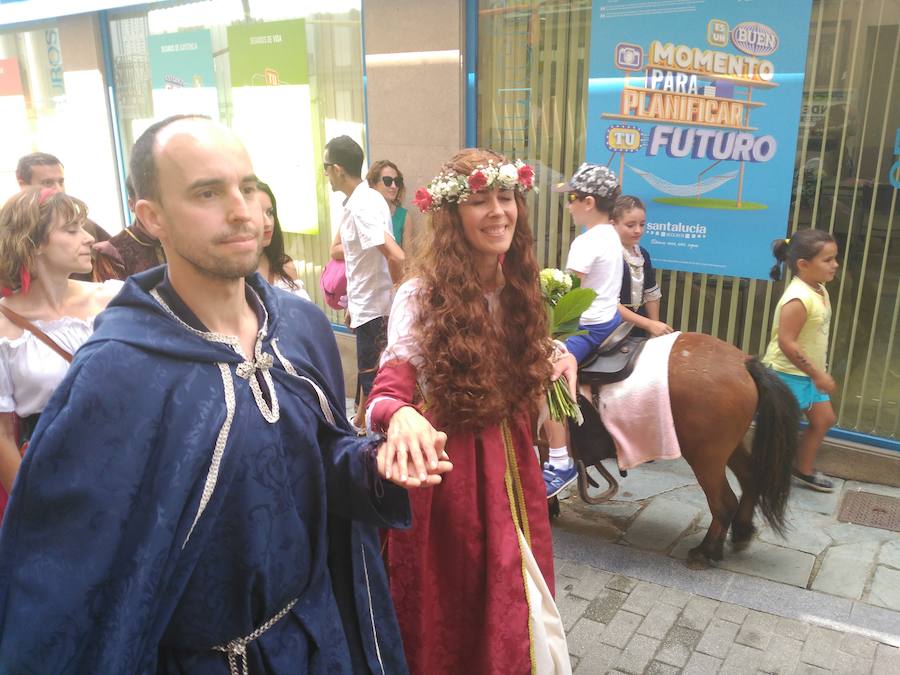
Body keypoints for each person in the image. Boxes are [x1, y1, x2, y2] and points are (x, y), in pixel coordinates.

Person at [0, 115, 450, 673]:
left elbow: (321, 460)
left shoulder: (300, 324)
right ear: (152, 216)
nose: (242, 211)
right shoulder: (115, 371)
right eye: (207, 193)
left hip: (316, 643)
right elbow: (63, 579)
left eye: (248, 187)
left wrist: (372, 461)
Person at [367, 149, 576, 674]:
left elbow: (518, 374)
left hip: (513, 473)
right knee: (452, 607)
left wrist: (548, 357)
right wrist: (397, 413)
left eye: (505, 197)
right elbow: (390, 384)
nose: (498, 212)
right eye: (479, 201)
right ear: (452, 216)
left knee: (519, 597)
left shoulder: (522, 291)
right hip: (448, 479)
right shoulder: (421, 295)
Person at [0, 188, 122, 508]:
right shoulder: (3, 325)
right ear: (33, 243)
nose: (89, 239)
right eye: (71, 230)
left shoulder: (115, 299)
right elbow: (2, 437)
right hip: (54, 474)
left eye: (83, 227)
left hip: (129, 459)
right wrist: (32, 510)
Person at [542, 163, 624, 498]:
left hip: (588, 329)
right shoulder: (612, 236)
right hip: (611, 323)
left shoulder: (586, 243)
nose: (569, 204)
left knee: (543, 375)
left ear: (589, 202)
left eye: (572, 197)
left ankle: (559, 461)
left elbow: (568, 295)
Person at [325, 136, 404, 431]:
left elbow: (394, 254)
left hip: (375, 308)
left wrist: (400, 297)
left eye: (325, 167)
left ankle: (376, 442)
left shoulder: (363, 205)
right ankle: (362, 424)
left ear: (336, 169)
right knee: (369, 376)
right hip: (367, 305)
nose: (326, 175)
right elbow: (365, 259)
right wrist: (355, 305)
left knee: (375, 382)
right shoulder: (363, 200)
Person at [762, 229, 839, 492]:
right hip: (787, 374)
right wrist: (818, 374)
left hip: (809, 374)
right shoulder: (798, 298)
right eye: (828, 260)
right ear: (803, 265)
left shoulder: (818, 289)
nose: (835, 265)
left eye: (834, 258)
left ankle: (802, 469)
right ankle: (767, 478)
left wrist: (817, 373)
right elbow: (787, 342)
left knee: (824, 419)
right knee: (780, 433)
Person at [15, 152, 112, 249]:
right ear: (23, 185)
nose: (58, 190)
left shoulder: (84, 225)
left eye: (61, 182)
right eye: (48, 182)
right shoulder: (8, 229)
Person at [611, 195, 673, 338]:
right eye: (630, 225)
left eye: (642, 224)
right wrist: (649, 324)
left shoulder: (643, 254)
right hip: (612, 329)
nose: (638, 230)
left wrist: (654, 327)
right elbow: (608, 303)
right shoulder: (609, 255)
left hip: (639, 329)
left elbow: (651, 294)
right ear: (613, 224)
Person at [92, 175, 166, 281]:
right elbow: (112, 296)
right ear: (131, 205)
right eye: (146, 202)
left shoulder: (181, 240)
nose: (155, 209)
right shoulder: (113, 255)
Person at [255, 181, 311, 301]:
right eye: (257, 214)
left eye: (270, 213)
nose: (268, 223)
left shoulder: (283, 265)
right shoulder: (234, 275)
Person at [367, 160, 413, 250]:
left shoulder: (403, 216)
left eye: (397, 181)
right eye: (388, 181)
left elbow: (408, 258)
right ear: (373, 184)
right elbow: (336, 250)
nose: (394, 186)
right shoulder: (361, 212)